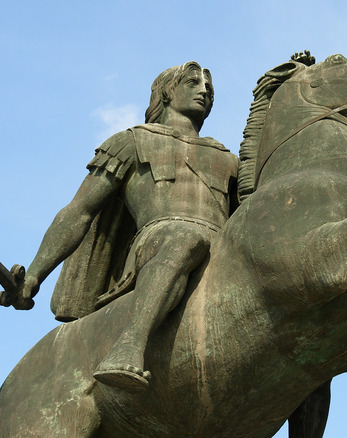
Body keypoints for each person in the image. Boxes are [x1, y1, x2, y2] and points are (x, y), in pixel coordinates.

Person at [13, 61, 240, 393]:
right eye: (192, 82)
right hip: (160, 239)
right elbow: (79, 211)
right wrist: (34, 275)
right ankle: (130, 344)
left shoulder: (228, 158)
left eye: (210, 88)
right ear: (167, 92)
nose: (204, 90)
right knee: (185, 236)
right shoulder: (131, 142)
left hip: (219, 247)